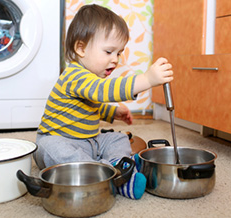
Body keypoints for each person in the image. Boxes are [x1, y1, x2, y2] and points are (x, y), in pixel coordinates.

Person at [33, 4, 173, 200]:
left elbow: (90, 105)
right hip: (59, 140)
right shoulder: (75, 75)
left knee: (117, 138)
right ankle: (109, 173)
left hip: (88, 141)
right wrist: (147, 80)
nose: (115, 59)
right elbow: (101, 92)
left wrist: (113, 113)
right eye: (108, 52)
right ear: (81, 48)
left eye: (119, 53)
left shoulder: (89, 80)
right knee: (50, 148)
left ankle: (119, 167)